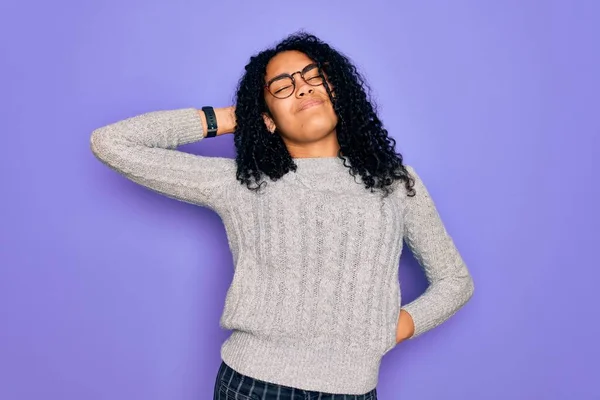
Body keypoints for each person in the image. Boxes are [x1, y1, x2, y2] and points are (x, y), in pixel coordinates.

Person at [90, 31, 475, 400]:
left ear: (337, 94)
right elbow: (111, 142)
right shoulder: (243, 182)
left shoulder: (393, 181)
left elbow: (454, 281)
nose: (303, 87)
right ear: (268, 118)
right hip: (253, 387)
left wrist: (398, 325)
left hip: (353, 390)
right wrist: (230, 117)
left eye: (314, 77)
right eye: (282, 86)